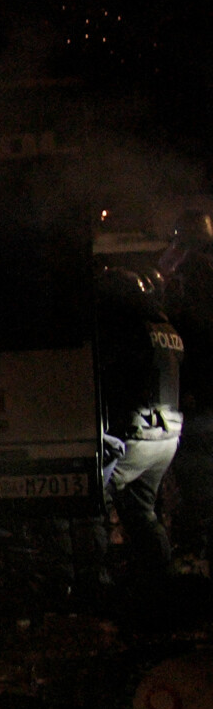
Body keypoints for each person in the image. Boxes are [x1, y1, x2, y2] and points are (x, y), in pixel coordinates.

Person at [95, 264, 183, 582]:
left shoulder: (127, 327)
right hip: (167, 436)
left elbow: (107, 369)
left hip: (137, 434)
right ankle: (161, 579)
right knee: (140, 511)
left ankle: (95, 582)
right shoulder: (165, 327)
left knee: (94, 499)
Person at [157, 212, 213, 569]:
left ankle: (195, 548)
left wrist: (189, 387)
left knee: (196, 478)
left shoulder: (191, 274)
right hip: (202, 393)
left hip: (198, 396)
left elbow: (189, 336)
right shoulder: (198, 270)